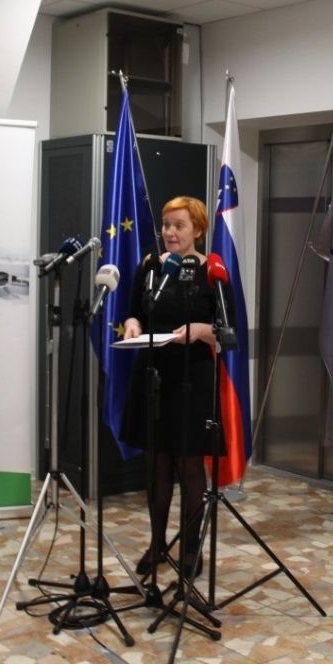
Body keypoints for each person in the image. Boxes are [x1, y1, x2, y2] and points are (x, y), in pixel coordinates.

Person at [120, 196, 219, 579]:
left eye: (179, 225)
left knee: (189, 465)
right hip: (153, 376)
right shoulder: (150, 266)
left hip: (193, 378)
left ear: (198, 229)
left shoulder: (212, 270)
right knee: (156, 464)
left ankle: (191, 548)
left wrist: (201, 330)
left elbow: (228, 331)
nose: (170, 232)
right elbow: (135, 312)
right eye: (166, 225)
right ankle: (157, 543)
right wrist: (133, 324)